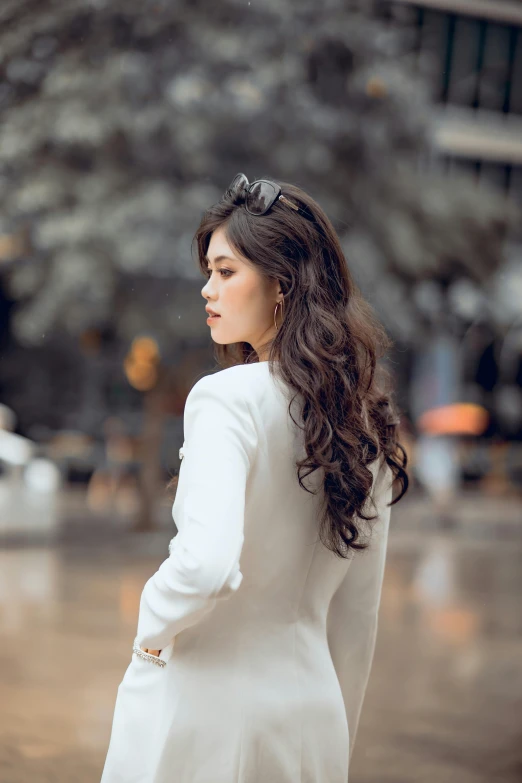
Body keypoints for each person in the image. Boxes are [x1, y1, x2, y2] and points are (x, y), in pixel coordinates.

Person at [100, 173, 409, 783]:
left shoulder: (224, 397)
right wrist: (333, 732)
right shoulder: (364, 419)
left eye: (225, 271)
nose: (207, 290)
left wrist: (151, 631)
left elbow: (206, 566)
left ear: (282, 285)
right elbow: (358, 614)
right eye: (208, 271)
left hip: (208, 712)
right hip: (313, 714)